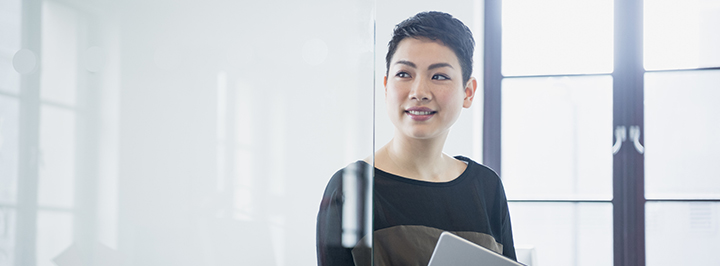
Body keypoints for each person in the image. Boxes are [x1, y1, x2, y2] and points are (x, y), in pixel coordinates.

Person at [317, 11, 516, 266]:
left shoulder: (486, 188)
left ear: (468, 92)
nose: (419, 92)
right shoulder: (350, 189)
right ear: (386, 86)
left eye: (439, 76)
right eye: (404, 74)